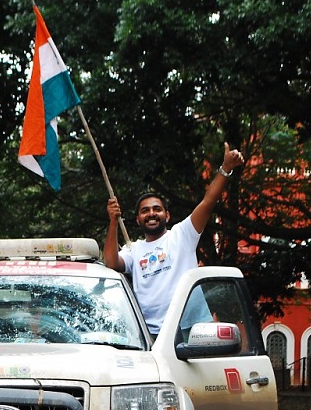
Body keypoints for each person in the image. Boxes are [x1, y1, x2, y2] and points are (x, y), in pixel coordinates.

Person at [103, 143, 245, 337]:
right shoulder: (133, 249)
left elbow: (208, 201)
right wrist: (112, 222)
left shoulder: (182, 234)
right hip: (149, 334)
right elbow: (111, 262)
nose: (151, 213)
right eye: (145, 211)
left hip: (191, 328)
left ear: (167, 216)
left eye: (157, 209)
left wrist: (225, 168)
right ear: (138, 220)